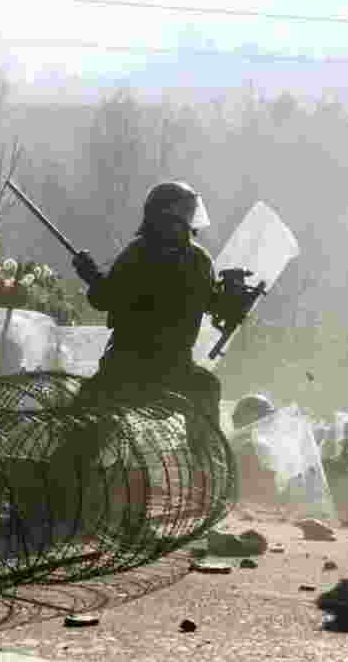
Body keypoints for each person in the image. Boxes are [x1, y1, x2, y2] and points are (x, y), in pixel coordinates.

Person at [32, 181, 223, 538]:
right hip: (175, 370)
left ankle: (50, 498)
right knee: (207, 388)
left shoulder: (140, 253)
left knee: (83, 428)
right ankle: (209, 479)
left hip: (128, 368)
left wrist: (89, 274)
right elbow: (214, 304)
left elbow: (106, 299)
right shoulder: (200, 260)